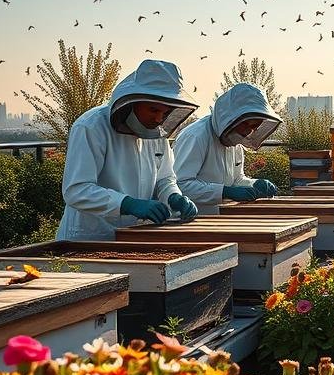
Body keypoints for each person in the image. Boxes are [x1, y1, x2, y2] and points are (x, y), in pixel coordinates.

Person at [56, 59, 200, 241]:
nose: (158, 118)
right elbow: (76, 190)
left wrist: (173, 196)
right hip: (90, 237)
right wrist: (126, 203)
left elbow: (164, 178)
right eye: (153, 109)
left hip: (134, 235)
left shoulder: (157, 134)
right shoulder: (91, 127)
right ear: (133, 102)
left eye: (165, 113)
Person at [173, 82, 283, 214]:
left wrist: (253, 184)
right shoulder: (195, 136)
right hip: (188, 223)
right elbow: (181, 185)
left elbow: (236, 179)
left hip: (219, 220)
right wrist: (224, 192)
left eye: (255, 127)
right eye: (247, 124)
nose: (249, 132)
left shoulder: (235, 142)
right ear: (232, 117)